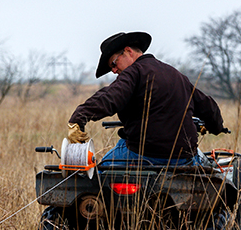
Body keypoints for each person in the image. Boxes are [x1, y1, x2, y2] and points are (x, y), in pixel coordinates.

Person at [66, 31, 227, 166]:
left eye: (114, 63)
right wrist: (215, 126)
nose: (114, 70)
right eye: (111, 68)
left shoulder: (134, 72)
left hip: (141, 155)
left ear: (128, 51)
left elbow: (109, 97)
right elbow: (208, 106)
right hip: (184, 159)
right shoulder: (176, 75)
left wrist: (78, 118)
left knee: (101, 174)